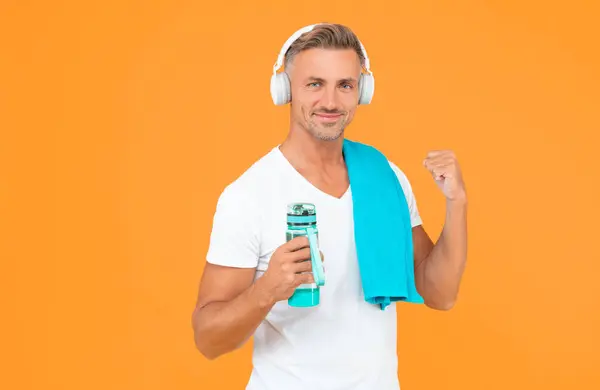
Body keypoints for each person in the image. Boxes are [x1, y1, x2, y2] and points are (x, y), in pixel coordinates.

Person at [191, 23, 468, 390]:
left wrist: (457, 203)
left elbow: (439, 294)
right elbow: (208, 339)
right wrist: (267, 289)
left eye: (345, 85)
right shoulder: (248, 196)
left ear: (361, 91)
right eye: (314, 84)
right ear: (286, 90)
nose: (331, 102)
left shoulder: (385, 178)